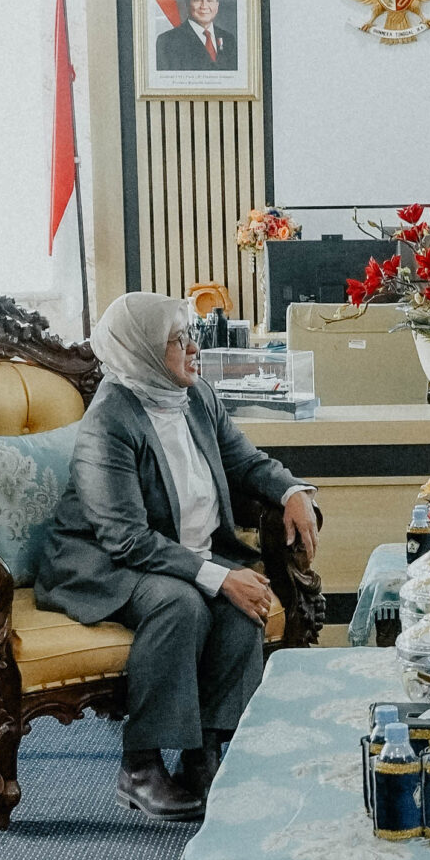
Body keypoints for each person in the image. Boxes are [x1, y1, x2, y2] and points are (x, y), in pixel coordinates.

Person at [34, 291, 318, 821]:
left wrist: (291, 491)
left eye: (192, 334)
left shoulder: (197, 395)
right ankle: (140, 766)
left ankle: (203, 755)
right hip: (106, 562)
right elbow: (125, 538)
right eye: (178, 339)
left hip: (179, 555)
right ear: (141, 349)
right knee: (180, 605)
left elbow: (245, 461)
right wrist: (219, 577)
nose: (194, 348)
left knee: (243, 605)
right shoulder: (110, 421)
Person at [155, 0, 239, 71]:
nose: (204, 6)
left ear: (217, 5)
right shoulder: (167, 41)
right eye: (198, 0)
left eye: (210, 1)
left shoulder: (228, 39)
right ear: (187, 4)